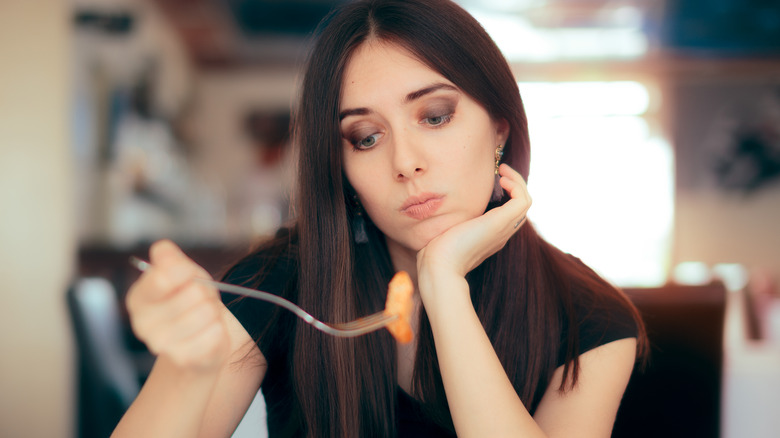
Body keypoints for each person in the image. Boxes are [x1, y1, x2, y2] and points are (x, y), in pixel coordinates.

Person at [112, 0, 647, 437]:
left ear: (501, 130)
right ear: (342, 166)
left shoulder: (592, 318)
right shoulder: (282, 280)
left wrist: (443, 284)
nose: (405, 162)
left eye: (435, 117)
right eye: (366, 138)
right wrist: (183, 371)